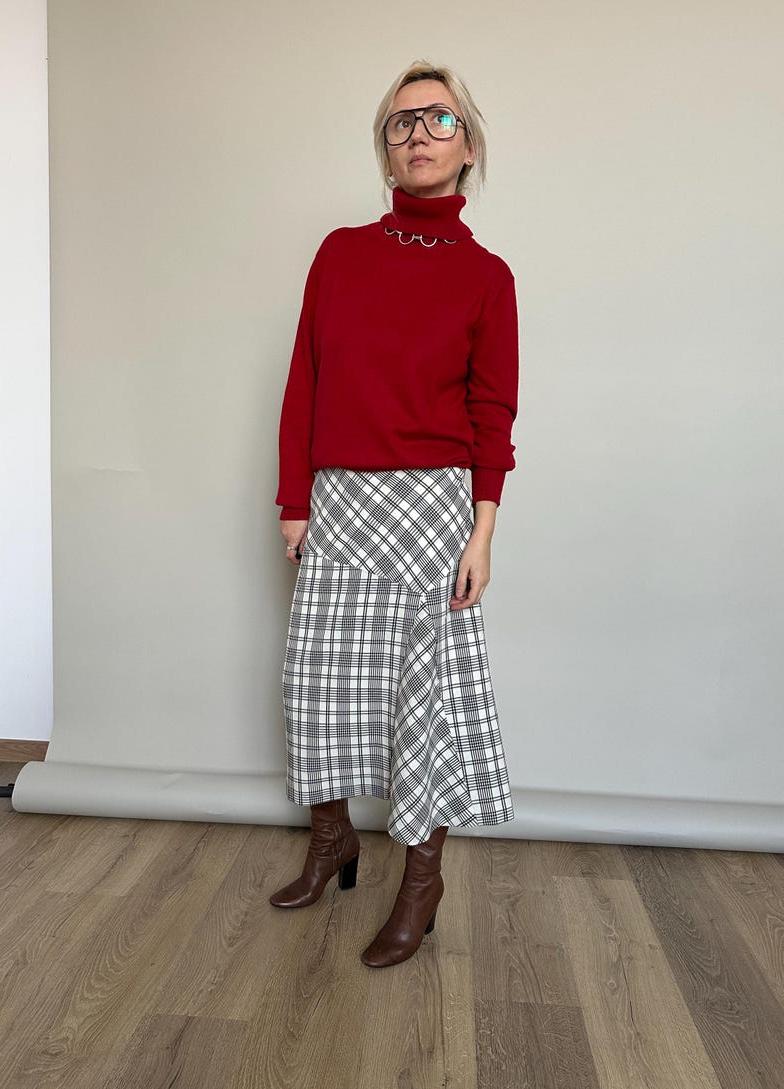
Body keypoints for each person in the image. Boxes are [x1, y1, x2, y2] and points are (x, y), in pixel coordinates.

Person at [270, 59, 519, 968]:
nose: (417, 133)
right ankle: (331, 839)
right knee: (319, 683)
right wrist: (296, 500)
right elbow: (307, 377)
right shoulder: (340, 252)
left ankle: (421, 881)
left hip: (432, 504)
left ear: (468, 146)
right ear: (385, 147)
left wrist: (481, 535)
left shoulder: (488, 276)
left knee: (429, 703)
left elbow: (494, 415)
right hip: (340, 495)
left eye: (437, 120)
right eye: (400, 122)